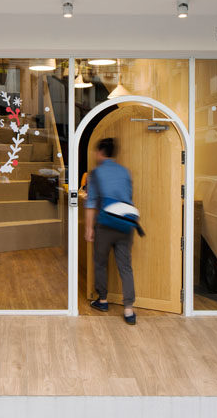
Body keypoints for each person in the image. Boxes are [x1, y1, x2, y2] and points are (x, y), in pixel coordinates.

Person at [84, 137, 136, 325]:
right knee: (125, 265)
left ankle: (103, 300)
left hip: (105, 224)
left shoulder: (95, 174)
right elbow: (129, 197)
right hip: (126, 223)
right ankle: (129, 309)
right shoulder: (125, 172)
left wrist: (89, 228)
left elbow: (90, 204)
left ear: (99, 153)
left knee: (100, 262)